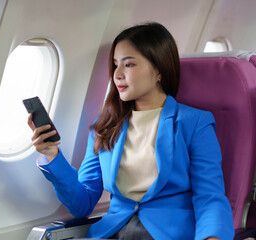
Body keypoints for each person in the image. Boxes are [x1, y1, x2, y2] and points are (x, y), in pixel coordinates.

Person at [27, 22, 234, 239]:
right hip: (112, 232)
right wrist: (52, 155)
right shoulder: (104, 127)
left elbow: (209, 197)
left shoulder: (195, 123)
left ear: (159, 70)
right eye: (115, 65)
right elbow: (83, 204)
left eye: (129, 65)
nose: (117, 74)